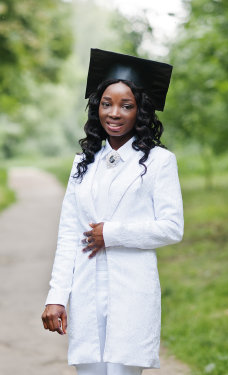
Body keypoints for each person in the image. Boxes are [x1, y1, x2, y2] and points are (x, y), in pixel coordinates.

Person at [41, 48, 184, 375]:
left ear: (140, 111)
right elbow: (69, 235)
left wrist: (112, 233)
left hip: (131, 291)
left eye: (126, 105)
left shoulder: (159, 162)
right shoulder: (83, 163)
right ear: (97, 107)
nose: (115, 113)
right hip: (87, 292)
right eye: (107, 103)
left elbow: (172, 227)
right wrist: (56, 296)